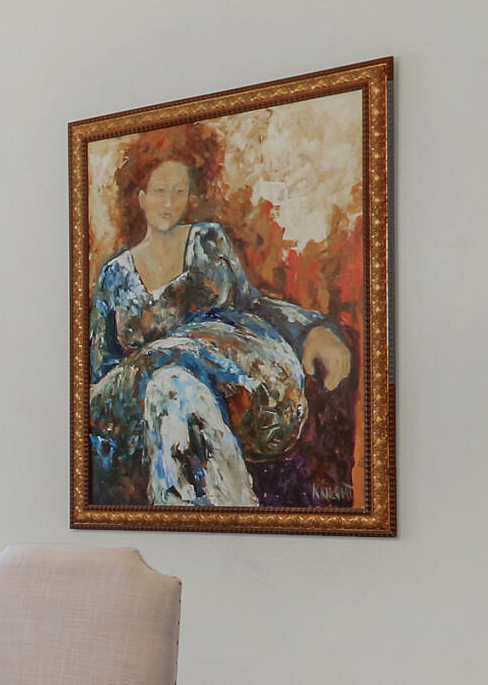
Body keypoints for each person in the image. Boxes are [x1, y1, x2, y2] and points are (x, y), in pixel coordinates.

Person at [86, 133, 351, 507]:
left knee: (176, 386)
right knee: (168, 381)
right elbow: (100, 376)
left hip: (207, 398)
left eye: (179, 191)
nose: (169, 202)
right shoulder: (115, 275)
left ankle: (209, 508)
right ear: (141, 196)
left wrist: (314, 328)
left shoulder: (208, 242)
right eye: (160, 191)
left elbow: (253, 306)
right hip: (133, 406)